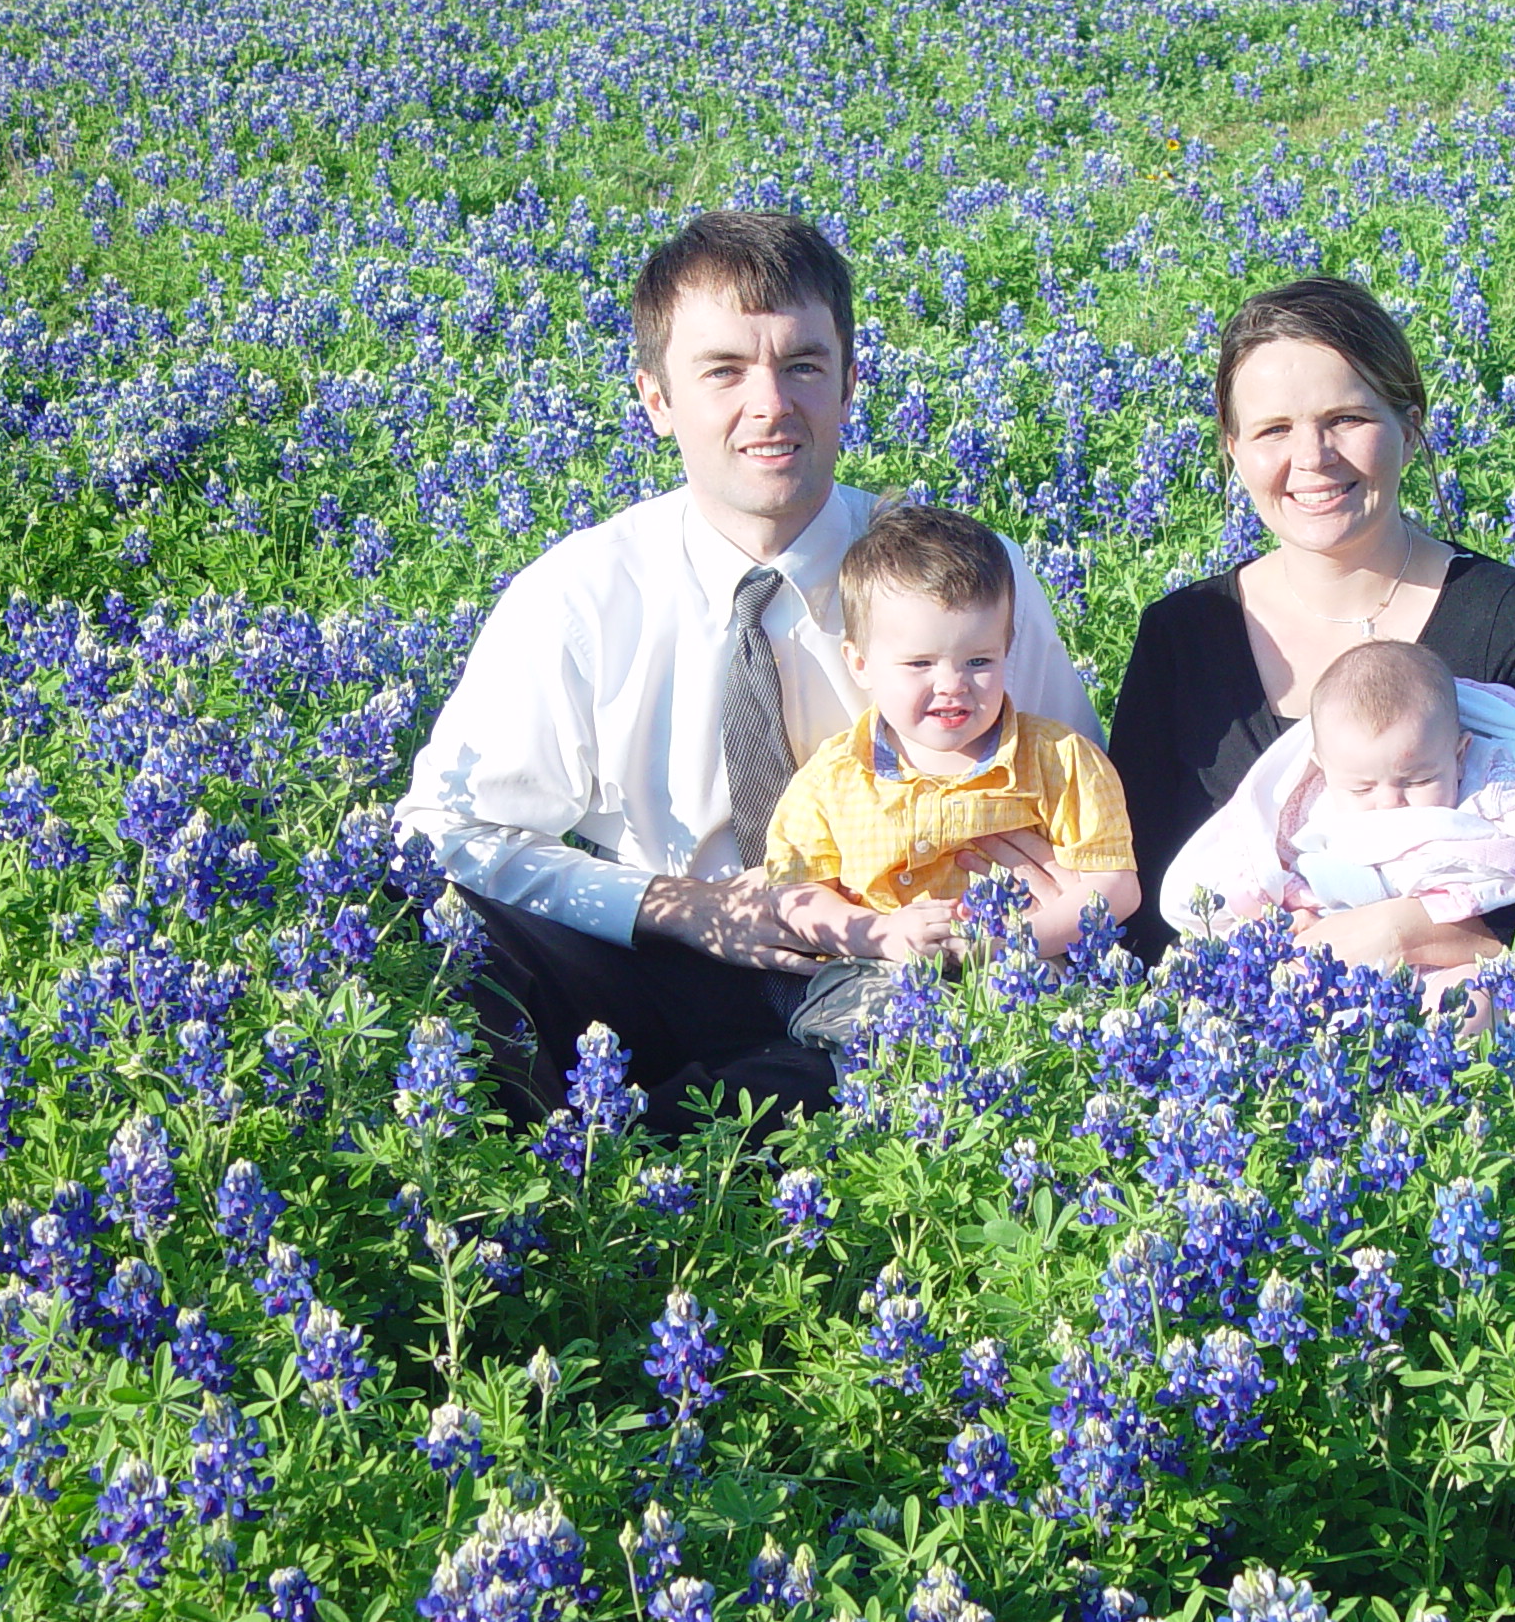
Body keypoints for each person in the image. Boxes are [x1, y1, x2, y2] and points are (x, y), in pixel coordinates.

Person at [395, 213, 1101, 1133]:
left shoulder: (966, 577)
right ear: (656, 399)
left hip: (894, 971)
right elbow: (439, 830)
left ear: (850, 384)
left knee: (796, 1096)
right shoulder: (579, 593)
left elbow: (1078, 801)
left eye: (803, 364)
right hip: (655, 951)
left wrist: (987, 925)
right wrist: (666, 904)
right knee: (465, 939)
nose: (769, 403)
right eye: (723, 370)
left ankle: (688, 1150)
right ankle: (544, 1199)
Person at [1107, 275, 1515, 977]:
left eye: (1346, 418)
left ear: (1408, 426)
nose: (1312, 457)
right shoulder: (1182, 636)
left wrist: (1406, 930)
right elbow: (1137, 900)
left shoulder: (1505, 612)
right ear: (1234, 449)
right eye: (1274, 429)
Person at [1160, 639, 1515, 1013]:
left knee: (1470, 1004)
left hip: (1457, 961)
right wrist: (1294, 917)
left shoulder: (1488, 786)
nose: (1391, 803)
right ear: (1321, 769)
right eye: (1364, 788)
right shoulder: (1316, 807)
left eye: (1416, 779)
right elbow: (1282, 873)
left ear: (1460, 753)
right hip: (1345, 970)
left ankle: (1441, 1093)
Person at [764, 504, 1137, 1039]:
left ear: (1007, 649)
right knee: (880, 1032)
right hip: (881, 967)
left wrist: (1022, 940)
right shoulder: (833, 778)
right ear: (860, 663)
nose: (952, 684)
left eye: (978, 661)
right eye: (920, 663)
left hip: (1029, 956)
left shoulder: (1061, 759)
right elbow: (794, 893)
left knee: (1064, 1026)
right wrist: (880, 932)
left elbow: (1114, 886)